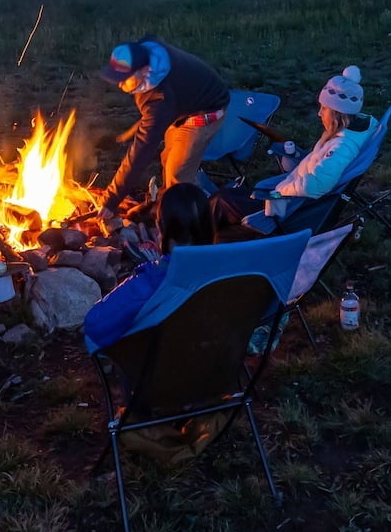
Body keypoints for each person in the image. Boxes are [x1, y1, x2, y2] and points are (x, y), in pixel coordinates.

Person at [217, 66, 374, 233]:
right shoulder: (347, 133)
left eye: (324, 108)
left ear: (338, 114)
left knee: (221, 202)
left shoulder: (342, 146)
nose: (319, 113)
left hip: (286, 206)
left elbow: (315, 185)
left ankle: (203, 247)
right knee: (225, 197)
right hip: (287, 195)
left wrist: (279, 191)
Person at [98, 39, 230, 215]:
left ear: (145, 70)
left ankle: (189, 218)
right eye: (117, 78)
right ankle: (165, 203)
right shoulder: (148, 51)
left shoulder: (160, 100)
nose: (120, 85)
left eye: (125, 79)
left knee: (178, 174)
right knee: (168, 157)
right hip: (183, 103)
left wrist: (111, 200)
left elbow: (141, 151)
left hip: (205, 112)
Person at [83, 182, 214, 353]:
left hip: (161, 364)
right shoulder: (226, 272)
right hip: (210, 356)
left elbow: (94, 325)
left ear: (161, 228)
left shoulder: (150, 282)